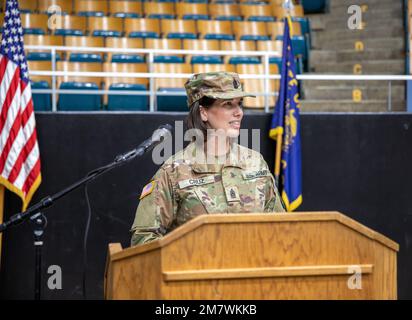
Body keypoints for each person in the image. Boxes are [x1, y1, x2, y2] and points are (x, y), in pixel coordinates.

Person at [130, 72, 285, 246]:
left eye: (239, 104)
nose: (239, 112)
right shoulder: (174, 171)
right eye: (228, 104)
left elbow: (280, 227)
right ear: (203, 113)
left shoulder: (255, 162)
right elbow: (143, 240)